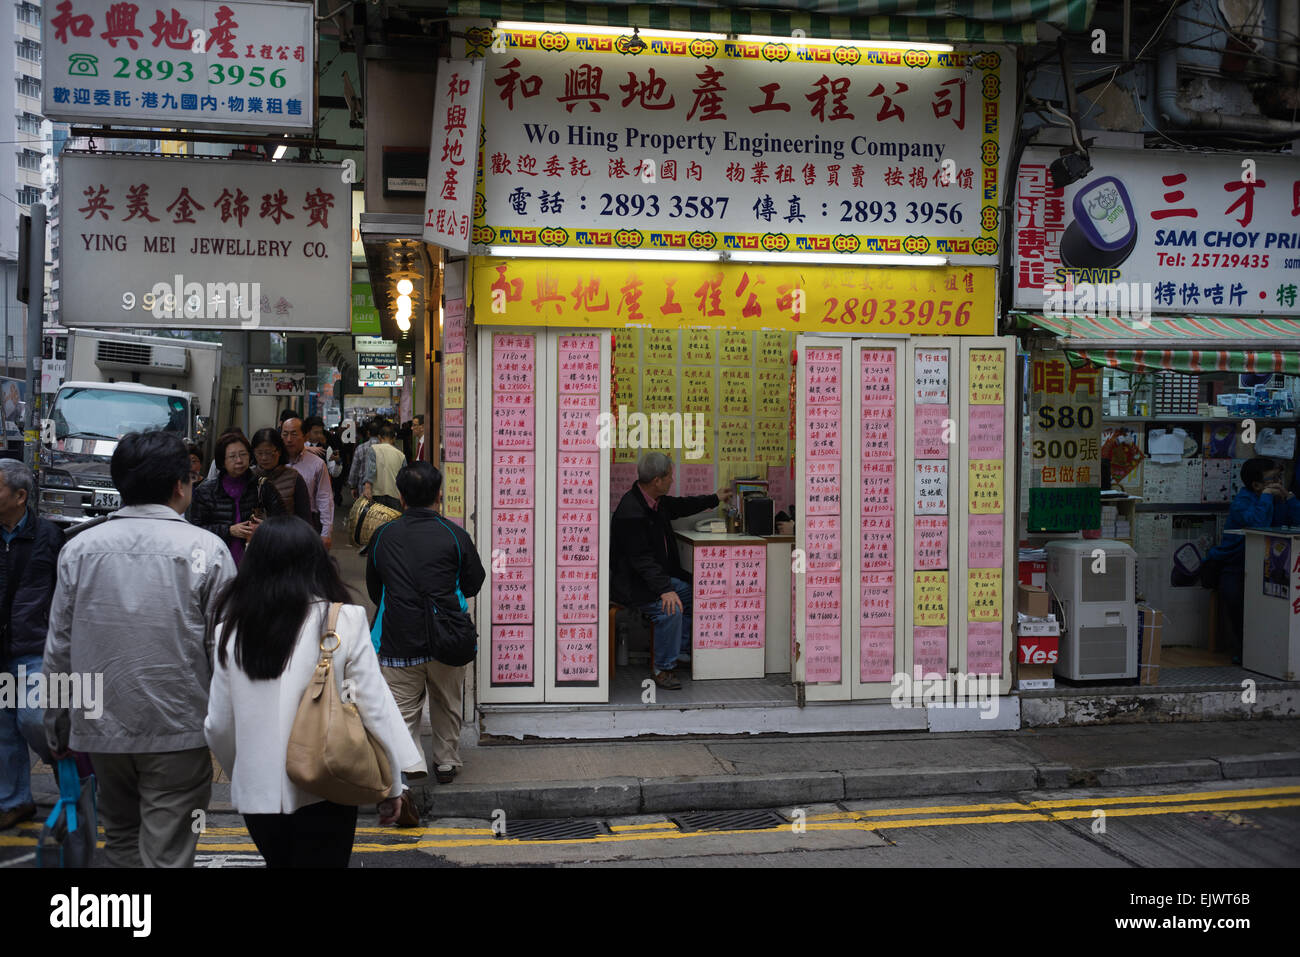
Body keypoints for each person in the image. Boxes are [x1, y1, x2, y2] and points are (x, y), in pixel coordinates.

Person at [43, 430, 235, 867]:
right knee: (168, 852)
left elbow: (58, 649)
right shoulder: (208, 551)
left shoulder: (78, 550)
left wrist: (56, 726)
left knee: (121, 842)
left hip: (99, 727)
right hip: (178, 727)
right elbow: (225, 654)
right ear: (178, 485)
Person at [205, 516, 419, 867]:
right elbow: (372, 706)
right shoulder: (343, 620)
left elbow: (218, 725)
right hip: (328, 787)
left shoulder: (230, 630)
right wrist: (393, 784)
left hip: (260, 798)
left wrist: (244, 771)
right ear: (316, 563)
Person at [366, 463, 485, 806]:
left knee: (401, 708)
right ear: (438, 495)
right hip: (448, 635)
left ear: (401, 497)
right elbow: (473, 583)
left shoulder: (383, 536)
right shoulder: (455, 534)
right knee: (447, 701)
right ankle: (446, 761)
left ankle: (409, 762)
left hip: (398, 636)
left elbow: (376, 588)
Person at [611, 452, 733, 690]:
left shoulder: (655, 502)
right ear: (657, 480)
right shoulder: (631, 511)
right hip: (632, 585)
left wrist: (714, 498)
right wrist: (665, 590)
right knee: (671, 608)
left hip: (651, 580)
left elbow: (682, 505)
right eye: (669, 477)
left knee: (689, 593)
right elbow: (642, 560)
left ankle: (680, 651)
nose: (671, 480)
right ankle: (663, 667)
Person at [0, 460, 63, 830]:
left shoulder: (50, 536)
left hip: (36, 648)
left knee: (34, 718)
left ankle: (63, 761)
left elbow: (63, 593)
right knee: (4, 729)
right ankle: (14, 801)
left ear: (20, 496)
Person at [1208, 457, 1300, 663]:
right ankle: (1245, 650)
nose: (1278, 482)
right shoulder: (1243, 501)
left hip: (1272, 564)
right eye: (1272, 479)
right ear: (1256, 485)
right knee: (1235, 599)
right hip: (1235, 563)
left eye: (1279, 476)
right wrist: (1266, 497)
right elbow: (1257, 524)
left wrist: (1291, 499)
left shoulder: (1280, 498)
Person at [190, 432, 286, 567]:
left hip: (256, 563)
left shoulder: (262, 486)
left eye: (243, 454)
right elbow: (195, 530)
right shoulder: (206, 491)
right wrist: (229, 530)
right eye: (232, 456)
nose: (239, 460)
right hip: (217, 563)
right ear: (222, 460)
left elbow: (284, 523)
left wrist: (264, 528)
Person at [282, 416, 334, 549]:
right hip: (279, 525)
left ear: (305, 437)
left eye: (294, 434)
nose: (288, 439)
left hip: (308, 523)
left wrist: (326, 533)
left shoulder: (317, 464)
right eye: (285, 434)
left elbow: (324, 498)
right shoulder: (275, 462)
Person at [250, 427, 313, 525]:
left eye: (269, 453)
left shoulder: (294, 477)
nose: (264, 458)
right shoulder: (248, 476)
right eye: (259, 453)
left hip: (284, 536)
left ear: (279, 451)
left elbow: (305, 518)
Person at [362, 421, 406, 510]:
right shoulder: (401, 455)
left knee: (377, 521)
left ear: (379, 437)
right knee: (394, 522)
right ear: (394, 439)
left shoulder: (373, 449)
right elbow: (404, 478)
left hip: (377, 494)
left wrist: (367, 487)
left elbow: (371, 470)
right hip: (395, 495)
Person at [348, 418, 380, 500]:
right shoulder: (386, 449)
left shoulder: (360, 448)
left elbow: (354, 470)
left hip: (363, 490)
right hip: (382, 491)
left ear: (368, 433)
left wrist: (353, 486)